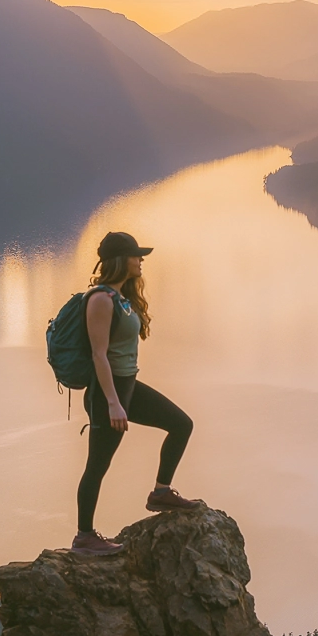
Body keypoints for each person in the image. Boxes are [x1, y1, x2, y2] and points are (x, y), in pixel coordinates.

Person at [71, 231, 200, 555]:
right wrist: (113, 403)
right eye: (136, 255)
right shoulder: (100, 299)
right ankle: (84, 537)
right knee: (98, 465)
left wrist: (122, 397)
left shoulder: (120, 298)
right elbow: (99, 355)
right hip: (107, 393)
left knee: (181, 424)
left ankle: (160, 492)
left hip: (127, 386)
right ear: (119, 260)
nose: (141, 260)